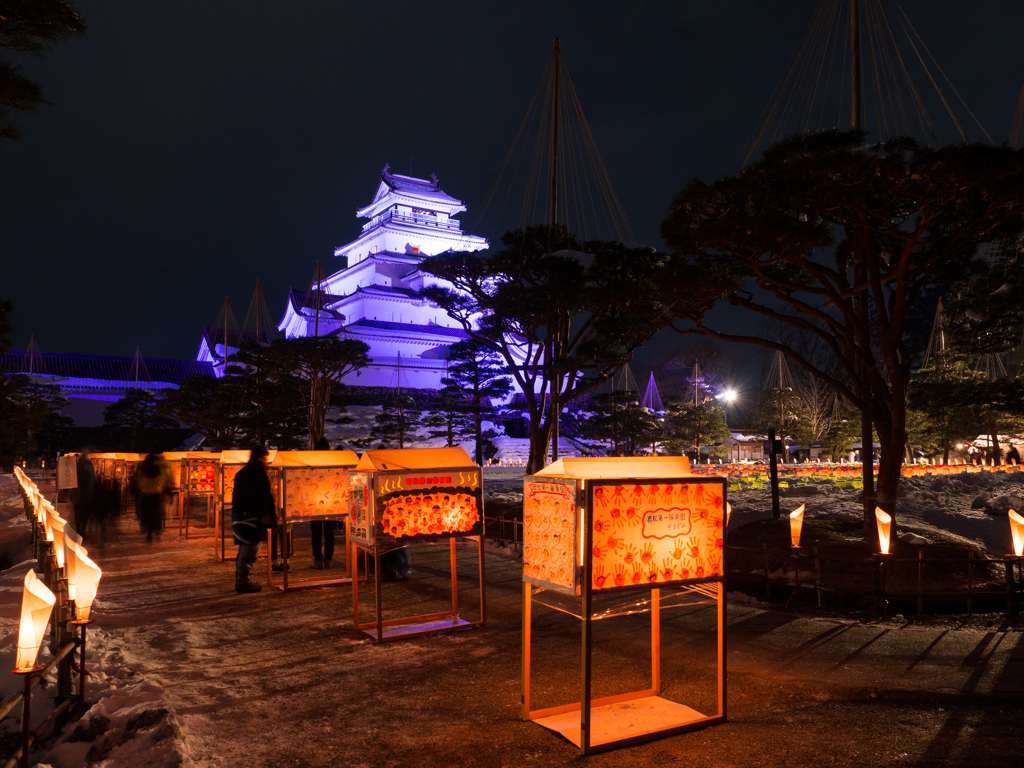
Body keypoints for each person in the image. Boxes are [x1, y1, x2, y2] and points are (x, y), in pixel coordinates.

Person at [231, 446, 276, 594]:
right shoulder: (256, 473)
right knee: (250, 550)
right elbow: (257, 495)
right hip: (250, 519)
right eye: (265, 458)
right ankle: (243, 583)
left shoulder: (243, 472)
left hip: (241, 516)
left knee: (245, 549)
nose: (266, 461)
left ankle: (242, 580)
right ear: (261, 457)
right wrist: (264, 512)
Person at [310, 436, 335, 569]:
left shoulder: (312, 462)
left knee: (316, 532)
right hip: (331, 502)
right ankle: (328, 560)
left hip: (313, 502)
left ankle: (318, 560)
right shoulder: (332, 462)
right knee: (329, 532)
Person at [135, 453, 170, 542]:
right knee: (156, 513)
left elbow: (136, 481)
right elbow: (162, 480)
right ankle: (157, 530)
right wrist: (163, 490)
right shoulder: (158, 470)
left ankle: (148, 530)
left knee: (145, 513)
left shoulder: (141, 470)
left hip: (144, 494)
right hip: (156, 493)